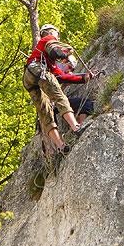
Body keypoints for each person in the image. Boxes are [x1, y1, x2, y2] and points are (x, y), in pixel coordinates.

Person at [23, 24, 94, 153]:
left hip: (29, 78)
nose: (57, 37)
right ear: (50, 32)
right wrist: (65, 56)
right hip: (38, 70)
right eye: (57, 34)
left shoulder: (44, 57)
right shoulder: (48, 39)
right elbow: (54, 51)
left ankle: (61, 146)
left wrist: (84, 78)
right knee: (59, 97)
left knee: (45, 112)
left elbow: (61, 76)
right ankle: (76, 127)